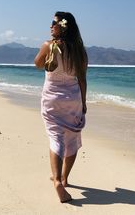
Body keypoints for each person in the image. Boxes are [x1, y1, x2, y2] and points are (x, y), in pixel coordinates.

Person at [34, 11, 88, 203]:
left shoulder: (48, 46)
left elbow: (37, 64)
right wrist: (84, 102)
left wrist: (49, 49)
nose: (50, 26)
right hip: (73, 98)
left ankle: (57, 180)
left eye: (53, 23)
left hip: (51, 99)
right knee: (72, 138)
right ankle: (65, 179)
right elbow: (82, 79)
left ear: (62, 26)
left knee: (55, 138)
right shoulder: (80, 51)